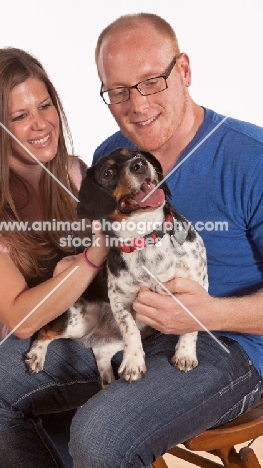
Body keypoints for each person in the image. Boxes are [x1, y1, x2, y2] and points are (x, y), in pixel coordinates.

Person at [67, 12, 263, 467]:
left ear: (185, 71)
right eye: (117, 91)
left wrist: (208, 312)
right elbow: (106, 255)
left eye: (152, 81)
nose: (136, 105)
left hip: (232, 346)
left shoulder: (252, 159)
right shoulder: (111, 157)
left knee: (100, 433)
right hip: (129, 326)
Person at [0, 47, 109, 467]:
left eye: (45, 105)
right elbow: (21, 317)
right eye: (20, 116)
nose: (41, 124)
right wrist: (89, 258)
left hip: (61, 366)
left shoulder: (76, 175)